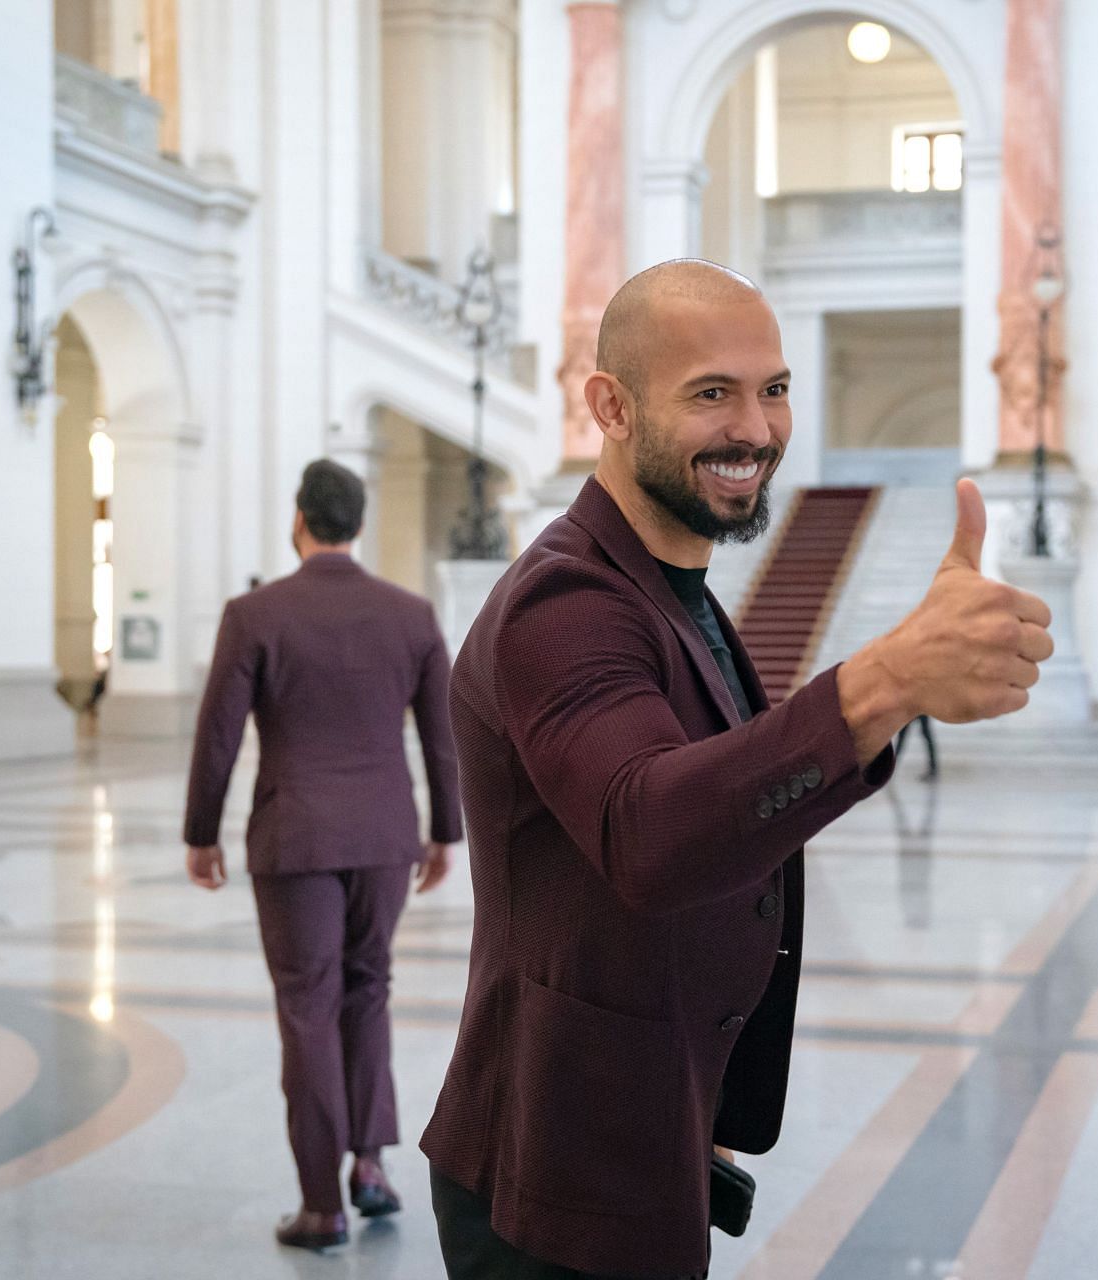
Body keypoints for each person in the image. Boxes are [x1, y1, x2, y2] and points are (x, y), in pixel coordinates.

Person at [421, 260, 1054, 1278]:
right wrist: (884, 679)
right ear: (611, 406)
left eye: (776, 388)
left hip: (652, 1120)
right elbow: (652, 830)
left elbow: (726, 801)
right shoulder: (565, 602)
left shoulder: (677, 589)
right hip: (551, 1163)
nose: (757, 428)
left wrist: (707, 1099)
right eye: (712, 392)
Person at [183, 459, 462, 1252]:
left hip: (294, 836)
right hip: (383, 835)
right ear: (359, 525)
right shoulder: (410, 616)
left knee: (308, 1004)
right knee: (368, 987)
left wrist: (200, 833)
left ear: (299, 520)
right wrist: (445, 830)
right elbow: (443, 739)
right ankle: (370, 1165)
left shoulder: (254, 614)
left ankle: (319, 1205)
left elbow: (219, 734)